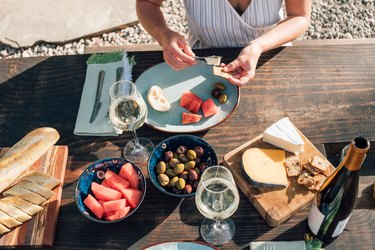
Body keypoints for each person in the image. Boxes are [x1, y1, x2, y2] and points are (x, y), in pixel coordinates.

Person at [136, 0, 311, 86]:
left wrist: (258, 46)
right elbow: (147, 3)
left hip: (268, 60)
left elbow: (299, 17)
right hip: (201, 65)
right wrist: (164, 34)